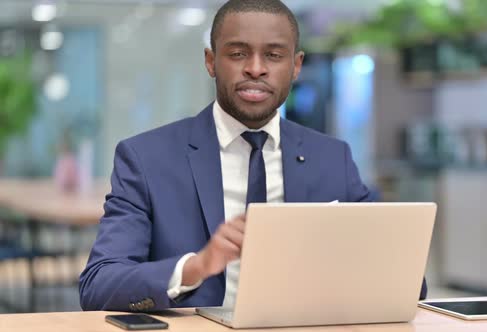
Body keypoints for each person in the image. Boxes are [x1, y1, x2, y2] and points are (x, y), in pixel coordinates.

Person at [79, 0, 427, 312]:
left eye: (274, 55)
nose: (256, 68)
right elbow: (99, 284)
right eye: (238, 54)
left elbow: (408, 283)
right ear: (211, 61)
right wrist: (197, 266)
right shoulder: (146, 158)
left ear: (296, 66)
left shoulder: (332, 157)